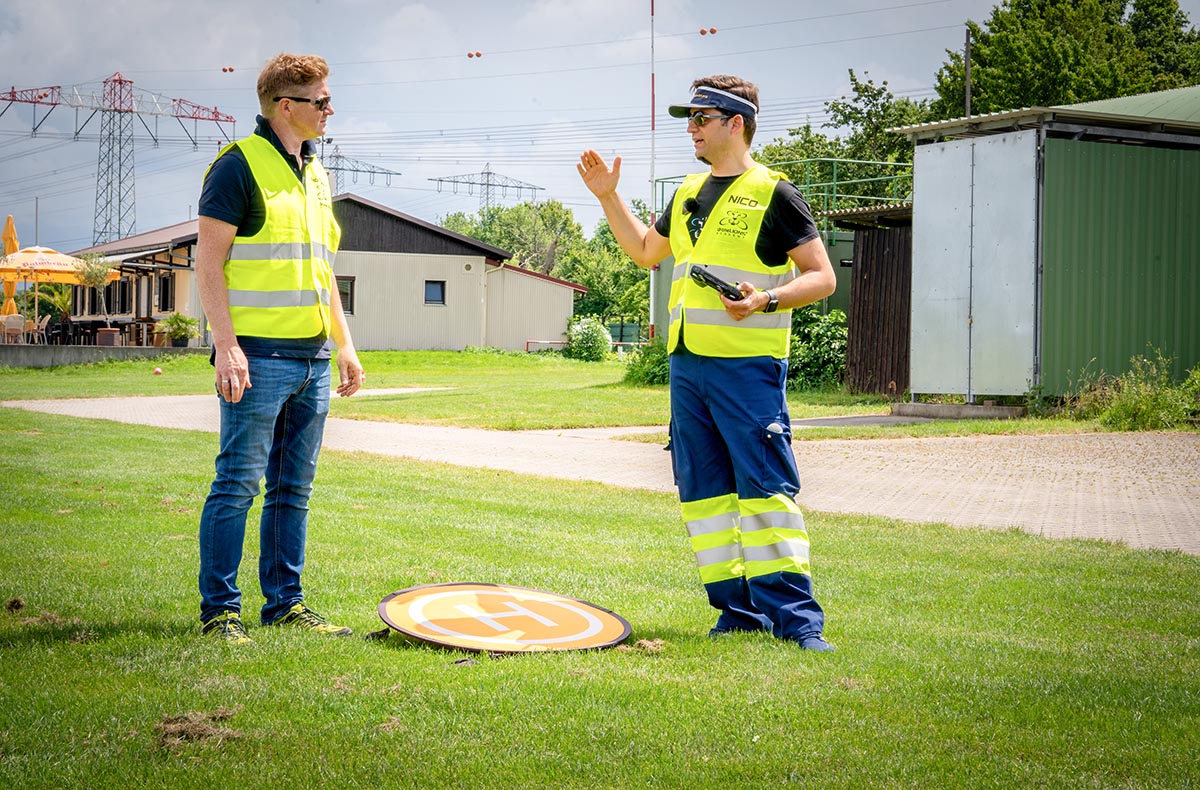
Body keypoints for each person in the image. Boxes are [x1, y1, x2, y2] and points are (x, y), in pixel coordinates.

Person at [578, 75, 838, 651]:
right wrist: (608, 197)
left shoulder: (775, 193)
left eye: (701, 118)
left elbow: (822, 277)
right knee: (704, 493)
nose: (691, 129)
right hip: (688, 367)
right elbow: (644, 251)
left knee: (765, 490)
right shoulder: (688, 192)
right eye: (689, 119)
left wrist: (766, 299)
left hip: (748, 369)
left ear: (735, 123)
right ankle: (736, 612)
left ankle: (798, 623)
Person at [195, 53, 364, 644]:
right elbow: (207, 264)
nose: (330, 109)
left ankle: (285, 605)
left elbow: (322, 270)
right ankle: (220, 612)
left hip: (313, 359)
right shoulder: (236, 166)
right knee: (238, 484)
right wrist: (226, 346)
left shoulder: (316, 173)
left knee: (293, 489)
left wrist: (345, 345)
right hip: (257, 358)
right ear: (286, 106)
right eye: (322, 100)